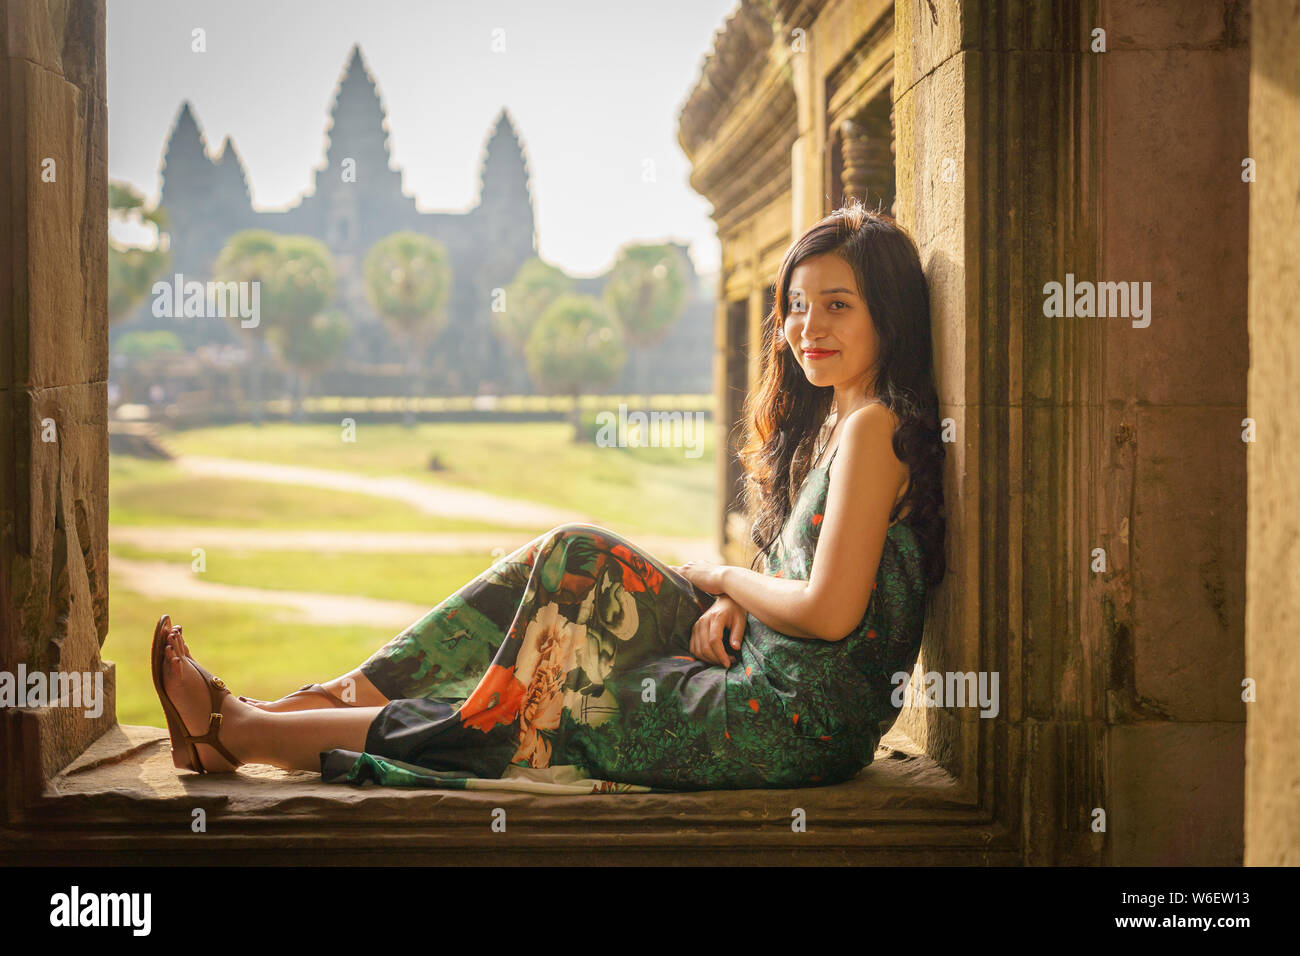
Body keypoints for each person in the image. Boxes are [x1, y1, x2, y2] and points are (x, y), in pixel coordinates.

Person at [150, 201, 947, 794]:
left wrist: (723, 580)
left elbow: (834, 612)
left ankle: (253, 728)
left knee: (531, 699)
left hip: (788, 721)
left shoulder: (874, 427)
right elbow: (811, 577)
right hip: (765, 679)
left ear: (890, 312)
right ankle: (293, 713)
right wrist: (741, 601)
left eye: (837, 305)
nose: (809, 327)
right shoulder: (840, 423)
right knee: (560, 578)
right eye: (797, 307)